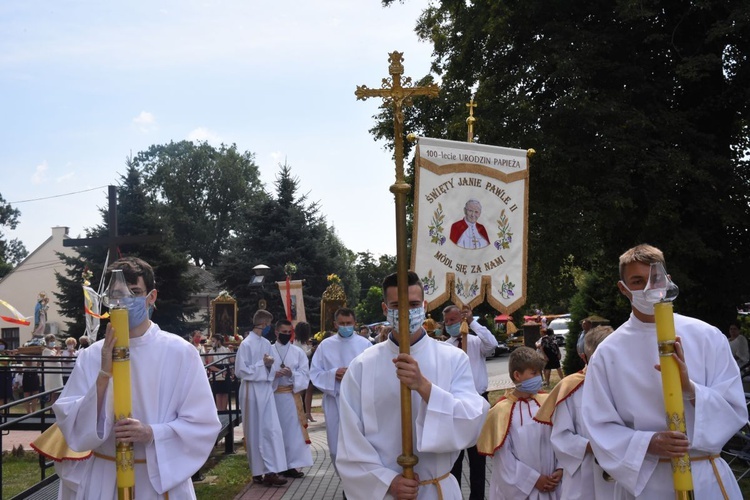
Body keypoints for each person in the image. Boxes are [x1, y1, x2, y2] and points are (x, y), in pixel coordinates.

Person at [582, 244, 748, 499]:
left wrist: (690, 389)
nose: (648, 288)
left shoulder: (707, 336)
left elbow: (735, 408)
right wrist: (648, 443)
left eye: (654, 279)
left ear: (668, 281)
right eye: (637, 281)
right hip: (647, 480)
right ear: (623, 288)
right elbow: (598, 424)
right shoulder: (608, 353)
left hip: (703, 473)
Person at [53, 256, 221, 498]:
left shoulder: (180, 352)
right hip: (103, 476)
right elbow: (71, 424)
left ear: (151, 297)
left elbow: (203, 423)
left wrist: (152, 433)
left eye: (135, 292)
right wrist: (102, 377)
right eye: (117, 293)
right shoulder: (91, 355)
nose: (125, 301)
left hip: (156, 479)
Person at [336, 271, 489, 499]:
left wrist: (424, 387)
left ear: (424, 306)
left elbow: (472, 421)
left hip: (437, 488)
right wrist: (387, 481)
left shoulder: (453, 358)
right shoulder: (361, 366)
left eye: (414, 304)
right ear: (386, 309)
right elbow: (350, 442)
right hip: (386, 492)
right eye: (397, 305)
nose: (406, 312)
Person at [534, 326, 615, 499]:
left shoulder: (625, 384)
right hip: (584, 476)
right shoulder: (571, 387)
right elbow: (560, 436)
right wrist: (591, 447)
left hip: (620, 473)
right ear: (586, 356)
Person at [477, 346, 561, 499]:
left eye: (540, 373)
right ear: (517, 375)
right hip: (522, 489)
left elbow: (561, 437)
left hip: (553, 484)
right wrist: (534, 480)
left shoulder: (547, 402)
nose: (539, 378)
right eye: (534, 373)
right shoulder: (500, 412)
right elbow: (504, 460)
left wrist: (561, 468)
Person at [442, 304, 497, 500]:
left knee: (477, 457)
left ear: (462, 319)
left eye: (453, 320)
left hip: (477, 401)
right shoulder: (446, 346)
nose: (449, 324)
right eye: (447, 321)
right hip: (455, 403)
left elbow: (492, 344)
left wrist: (473, 322)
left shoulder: (475, 342)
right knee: (455, 458)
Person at [310, 307, 372, 470]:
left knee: (359, 443)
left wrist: (353, 375)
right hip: (334, 400)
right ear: (335, 324)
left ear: (355, 323)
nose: (345, 326)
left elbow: (374, 372)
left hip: (358, 401)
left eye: (349, 323)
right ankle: (344, 480)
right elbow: (315, 373)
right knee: (336, 446)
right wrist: (333, 374)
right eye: (342, 323)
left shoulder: (365, 344)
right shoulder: (325, 345)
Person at [235, 309, 288, 487]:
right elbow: (241, 370)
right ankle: (258, 471)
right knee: (255, 430)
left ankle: (272, 469)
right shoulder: (246, 344)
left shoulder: (266, 343)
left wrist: (270, 367)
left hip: (265, 389)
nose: (269, 328)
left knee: (271, 429)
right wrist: (262, 365)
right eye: (268, 324)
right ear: (263, 324)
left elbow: (269, 368)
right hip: (251, 391)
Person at [271, 319, 313, 478]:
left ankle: (292, 465)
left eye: (289, 333)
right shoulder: (269, 350)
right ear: (276, 332)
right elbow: (261, 372)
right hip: (273, 397)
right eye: (284, 332)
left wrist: (292, 374)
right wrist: (273, 374)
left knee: (292, 432)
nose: (286, 335)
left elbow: (305, 374)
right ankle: (276, 465)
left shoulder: (298, 352)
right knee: (275, 432)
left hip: (290, 397)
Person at [207, 334, 233, 411]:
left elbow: (231, 361)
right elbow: (210, 365)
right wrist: (220, 371)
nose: (212, 343)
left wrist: (231, 351)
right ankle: (219, 411)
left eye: (213, 341)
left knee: (225, 393)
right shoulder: (211, 351)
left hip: (225, 372)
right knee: (218, 394)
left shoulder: (226, 350)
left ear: (218, 341)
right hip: (217, 373)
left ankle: (224, 410)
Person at [42, 333, 63, 404]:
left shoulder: (54, 350)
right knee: (52, 394)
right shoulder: (46, 350)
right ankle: (51, 412)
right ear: (47, 342)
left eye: (53, 340)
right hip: (51, 374)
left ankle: (54, 411)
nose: (53, 342)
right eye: (51, 341)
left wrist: (57, 351)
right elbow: (55, 359)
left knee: (57, 394)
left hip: (57, 374)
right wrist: (59, 351)